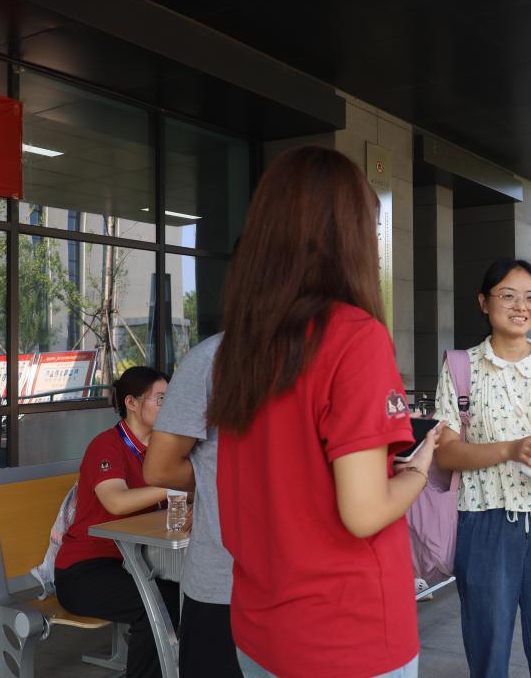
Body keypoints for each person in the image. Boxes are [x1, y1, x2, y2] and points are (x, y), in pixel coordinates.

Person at [208, 145, 442, 678]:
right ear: (349, 235)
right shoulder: (355, 338)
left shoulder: (240, 348)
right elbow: (364, 513)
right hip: (347, 634)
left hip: (260, 628)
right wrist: (418, 470)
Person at [433, 258, 531, 678]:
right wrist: (512, 450)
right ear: (483, 302)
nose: (521, 306)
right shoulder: (460, 367)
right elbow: (447, 453)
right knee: (487, 645)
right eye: (508, 295)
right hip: (484, 522)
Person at [55, 366, 179, 678]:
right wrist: (173, 486)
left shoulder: (161, 446)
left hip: (137, 560)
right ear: (131, 403)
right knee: (160, 604)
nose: (169, 407)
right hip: (86, 570)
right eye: (160, 399)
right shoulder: (107, 445)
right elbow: (116, 501)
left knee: (187, 592)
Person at [144, 333, 241, 678]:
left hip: (231, 582)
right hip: (225, 583)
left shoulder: (214, 358)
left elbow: (159, 469)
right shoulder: (214, 359)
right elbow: (159, 469)